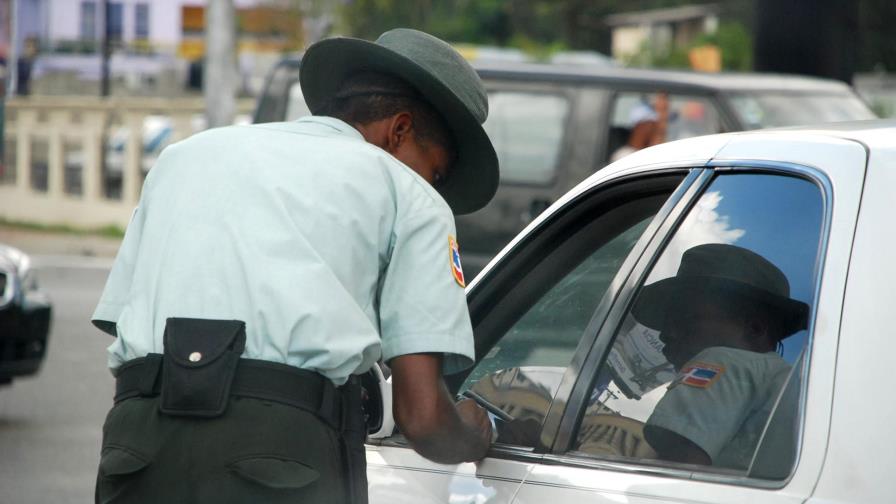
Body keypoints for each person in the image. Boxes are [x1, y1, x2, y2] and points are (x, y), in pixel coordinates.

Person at [91, 28, 499, 504]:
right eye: (437, 171)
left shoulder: (182, 158)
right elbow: (423, 418)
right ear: (399, 130)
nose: (434, 184)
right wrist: (476, 430)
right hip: (279, 455)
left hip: (134, 445)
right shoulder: (410, 195)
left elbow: (122, 323)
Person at [632, 243, 809, 470]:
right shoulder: (794, 387)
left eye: (686, 319)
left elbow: (675, 477)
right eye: (667, 323)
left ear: (754, 329)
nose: (666, 334)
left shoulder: (721, 362)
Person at [609, 93, 669, 162]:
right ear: (639, 127)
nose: (653, 131)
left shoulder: (656, 154)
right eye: (650, 125)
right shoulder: (624, 156)